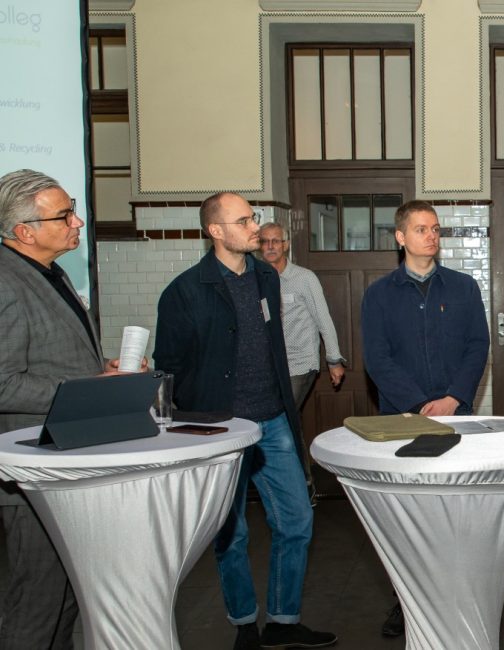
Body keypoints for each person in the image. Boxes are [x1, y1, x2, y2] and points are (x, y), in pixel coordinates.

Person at [154, 192, 337, 650]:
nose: (254, 226)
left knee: (296, 521)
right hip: (221, 429)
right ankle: (244, 626)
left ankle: (283, 620)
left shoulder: (264, 278)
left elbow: (272, 344)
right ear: (215, 231)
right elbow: (169, 366)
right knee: (230, 533)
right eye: (243, 220)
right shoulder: (184, 291)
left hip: (273, 420)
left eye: (252, 217)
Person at [0, 169, 141, 649]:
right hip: (27, 472)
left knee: (64, 603)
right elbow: (3, 384)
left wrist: (104, 369)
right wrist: (87, 385)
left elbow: (51, 355)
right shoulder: (5, 281)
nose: (78, 222)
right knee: (36, 605)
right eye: (65, 215)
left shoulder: (49, 271)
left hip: (61, 462)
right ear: (25, 232)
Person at [360, 199, 489, 637]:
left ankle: (458, 596)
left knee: (456, 510)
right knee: (407, 517)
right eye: (421, 229)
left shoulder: (464, 288)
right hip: (403, 419)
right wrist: (417, 405)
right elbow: (376, 359)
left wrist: (453, 398)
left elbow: (478, 346)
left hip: (458, 418)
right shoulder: (378, 295)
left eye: (435, 228)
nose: (431, 236)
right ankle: (405, 602)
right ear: (400, 237)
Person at [258, 222, 346, 413]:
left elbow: (323, 319)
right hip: (268, 364)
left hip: (300, 363)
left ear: (286, 245)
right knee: (280, 422)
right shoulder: (255, 280)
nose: (270, 246)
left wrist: (333, 360)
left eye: (276, 241)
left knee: (284, 416)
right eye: (265, 242)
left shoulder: (304, 278)